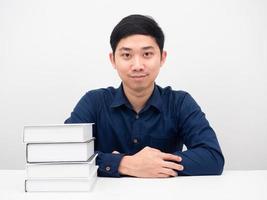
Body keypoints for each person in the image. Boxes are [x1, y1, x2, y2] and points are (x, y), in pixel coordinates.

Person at [65, 14, 224, 178]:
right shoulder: (94, 102)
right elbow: (65, 153)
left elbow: (212, 157)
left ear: (162, 58)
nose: (137, 66)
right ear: (113, 60)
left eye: (147, 54)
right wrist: (123, 164)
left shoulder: (179, 103)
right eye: (127, 55)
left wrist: (154, 165)